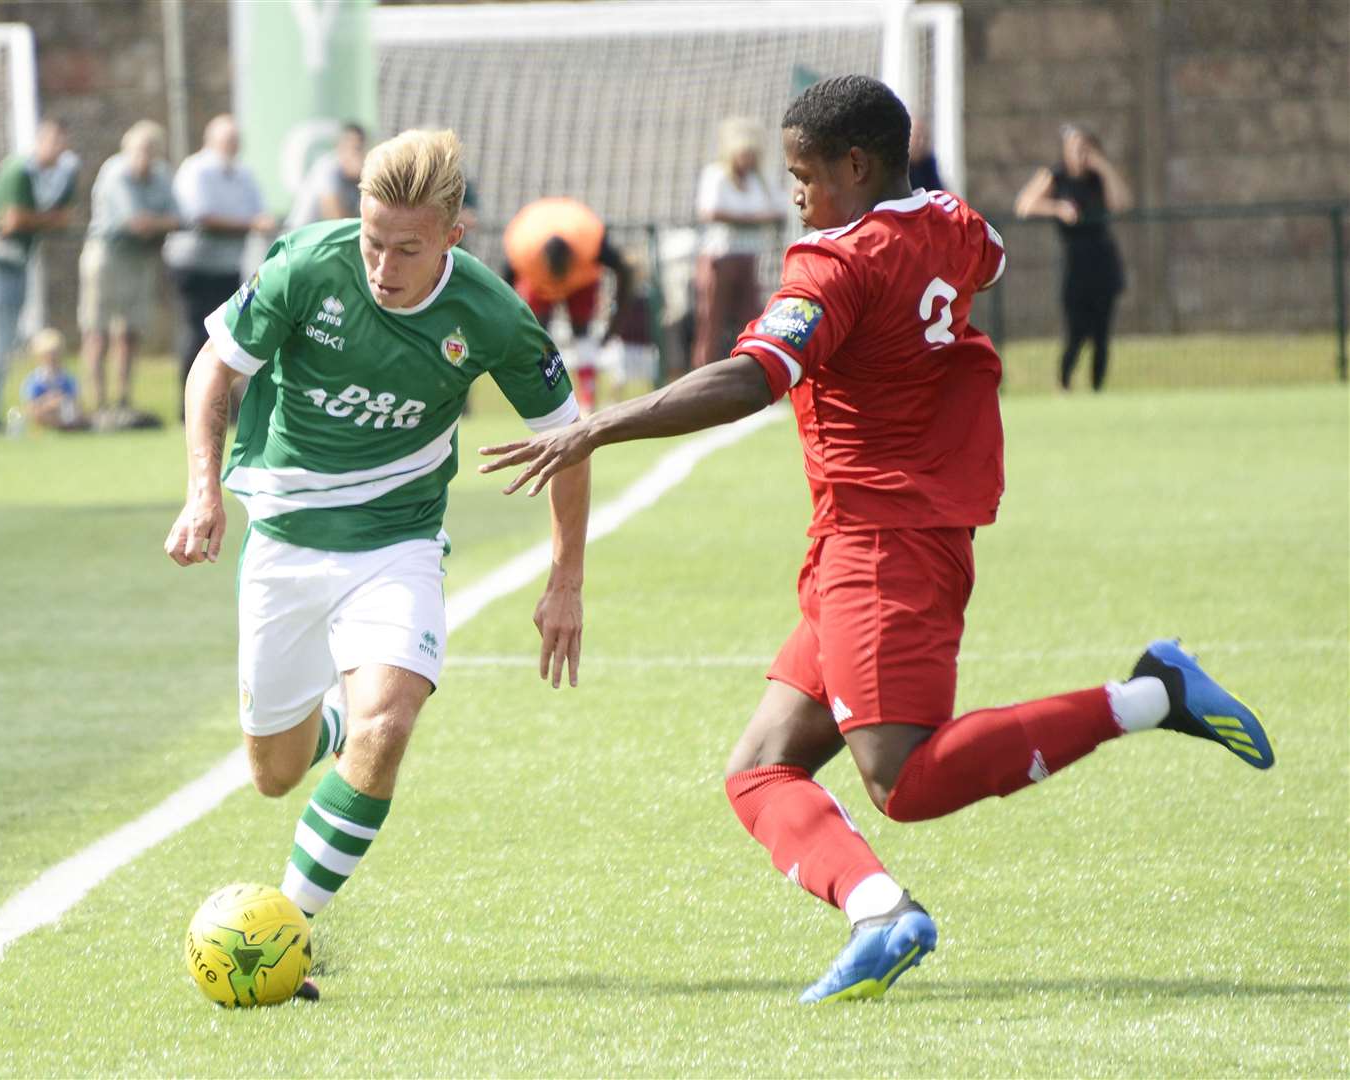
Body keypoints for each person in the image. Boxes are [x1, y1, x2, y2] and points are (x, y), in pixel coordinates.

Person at [480, 75, 1273, 1004]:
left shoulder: (833, 264)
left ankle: (1148, 694)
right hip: (885, 533)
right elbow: (989, 260)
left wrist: (595, 426)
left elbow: (749, 379)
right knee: (759, 769)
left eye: (804, 175)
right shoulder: (953, 220)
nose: (796, 196)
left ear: (856, 165)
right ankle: (878, 913)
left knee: (901, 780)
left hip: (881, 541)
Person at [163, 128, 590, 1001]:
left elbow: (570, 442)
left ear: (451, 238)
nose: (383, 266)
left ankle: (289, 928)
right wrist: (203, 493)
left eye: (405, 248)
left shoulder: (493, 316)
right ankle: (327, 725)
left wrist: (566, 580)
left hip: (396, 545)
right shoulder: (305, 267)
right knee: (273, 774)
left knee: (387, 727)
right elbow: (214, 369)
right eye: (370, 242)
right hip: (282, 541)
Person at [0, 119, 77, 436]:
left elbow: (64, 219)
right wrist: (46, 219)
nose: (59, 150)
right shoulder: (19, 170)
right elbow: (11, 221)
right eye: (53, 142)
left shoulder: (57, 175)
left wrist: (39, 220)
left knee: (5, 342)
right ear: (41, 141)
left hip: (17, 263)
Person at [165, 114, 275, 419]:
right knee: (197, 335)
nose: (232, 146)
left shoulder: (243, 174)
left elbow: (259, 212)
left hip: (227, 266)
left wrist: (255, 221)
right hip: (194, 265)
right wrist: (249, 223)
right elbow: (201, 216)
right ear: (211, 141)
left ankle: (223, 406)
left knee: (226, 339)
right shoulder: (196, 170)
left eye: (235, 141)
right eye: (227, 140)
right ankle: (189, 408)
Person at [1014, 124, 1132, 392]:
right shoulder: (1056, 176)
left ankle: (1097, 388)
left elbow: (1121, 203)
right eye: (1075, 149)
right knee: (1076, 332)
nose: (1080, 155)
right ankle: (1064, 382)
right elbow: (1024, 205)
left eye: (1085, 149)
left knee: (1102, 334)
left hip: (1103, 261)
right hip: (1075, 263)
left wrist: (1104, 168)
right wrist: (1057, 207)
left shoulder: (1098, 178)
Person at [78, 120, 177, 429]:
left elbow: (177, 216)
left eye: (151, 151)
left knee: (129, 333)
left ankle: (123, 400)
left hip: (141, 258)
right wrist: (159, 222)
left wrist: (158, 222)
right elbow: (137, 222)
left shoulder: (162, 175)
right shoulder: (115, 172)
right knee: (97, 331)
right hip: (107, 255)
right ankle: (97, 403)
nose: (144, 157)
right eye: (139, 150)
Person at [502, 197, 633, 412]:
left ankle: (587, 399)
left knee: (582, 332)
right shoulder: (522, 248)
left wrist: (615, 324)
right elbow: (504, 290)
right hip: (538, 282)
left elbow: (624, 271)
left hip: (581, 278)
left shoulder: (590, 241)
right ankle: (542, 399)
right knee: (536, 335)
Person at [691, 116, 783, 370]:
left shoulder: (761, 180)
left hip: (751, 257)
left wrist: (750, 219)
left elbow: (778, 209)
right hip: (720, 257)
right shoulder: (717, 175)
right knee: (712, 321)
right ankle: (703, 373)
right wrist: (753, 219)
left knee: (750, 318)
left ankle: (751, 370)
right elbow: (710, 211)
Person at [285, 122, 367, 230]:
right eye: (353, 149)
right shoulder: (327, 168)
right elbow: (334, 217)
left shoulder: (361, 176)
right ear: (340, 148)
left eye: (359, 149)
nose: (356, 155)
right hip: (299, 239)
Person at [19, 327, 87, 431]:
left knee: (75, 412)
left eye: (56, 354)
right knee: (39, 413)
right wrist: (49, 403)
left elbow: (76, 401)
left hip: (65, 414)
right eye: (49, 355)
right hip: (45, 413)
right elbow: (30, 406)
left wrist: (63, 401)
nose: (53, 358)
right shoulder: (36, 380)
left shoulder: (67, 378)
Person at [907, 113, 942, 191]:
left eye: (925, 137)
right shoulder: (898, 166)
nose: (921, 142)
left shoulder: (928, 163)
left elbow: (937, 191)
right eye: (917, 137)